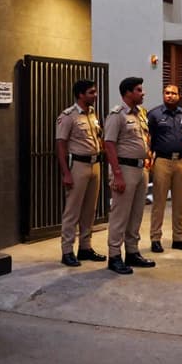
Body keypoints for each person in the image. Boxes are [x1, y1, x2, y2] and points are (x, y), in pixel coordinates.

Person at [102, 77, 156, 274]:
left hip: (141, 169)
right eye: (139, 90)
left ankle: (132, 252)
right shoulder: (117, 115)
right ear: (127, 93)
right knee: (120, 215)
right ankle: (114, 256)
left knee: (136, 214)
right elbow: (109, 144)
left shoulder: (141, 113)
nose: (143, 93)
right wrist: (116, 174)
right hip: (124, 169)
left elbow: (145, 137)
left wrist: (147, 155)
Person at [55, 80, 106, 267]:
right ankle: (67, 250)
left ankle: (85, 247)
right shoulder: (68, 116)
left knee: (89, 210)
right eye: (92, 92)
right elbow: (60, 145)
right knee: (72, 210)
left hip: (95, 165)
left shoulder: (93, 114)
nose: (95, 95)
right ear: (80, 95)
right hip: (78, 165)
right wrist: (66, 173)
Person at [146, 83, 182, 253]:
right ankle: (155, 238)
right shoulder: (154, 114)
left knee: (179, 202)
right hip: (162, 161)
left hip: (181, 161)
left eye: (173, 93)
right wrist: (148, 158)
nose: (170, 95)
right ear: (163, 95)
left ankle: (179, 238)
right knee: (159, 202)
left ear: (179, 96)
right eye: (167, 93)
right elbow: (148, 138)